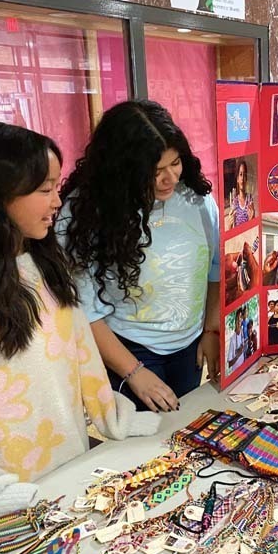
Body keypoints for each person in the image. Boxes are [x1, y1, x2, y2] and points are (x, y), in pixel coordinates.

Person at [0, 123, 158, 526]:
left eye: (56, 186)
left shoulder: (43, 258)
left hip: (69, 473)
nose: (57, 201)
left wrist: (113, 417)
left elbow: (82, 355)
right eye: (44, 189)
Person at [59, 100, 221, 413]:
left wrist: (211, 329)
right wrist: (133, 372)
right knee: (148, 435)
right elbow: (83, 308)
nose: (170, 179)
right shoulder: (84, 214)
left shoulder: (196, 198)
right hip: (128, 348)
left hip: (189, 344)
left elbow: (216, 268)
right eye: (155, 172)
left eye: (175, 163)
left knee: (184, 425)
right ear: (121, 171)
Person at [227, 158, 255, 229]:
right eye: (240, 174)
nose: (242, 178)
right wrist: (229, 225)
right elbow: (230, 229)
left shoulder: (249, 199)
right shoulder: (235, 201)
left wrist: (252, 219)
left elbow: (253, 227)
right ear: (237, 179)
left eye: (244, 175)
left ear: (246, 179)